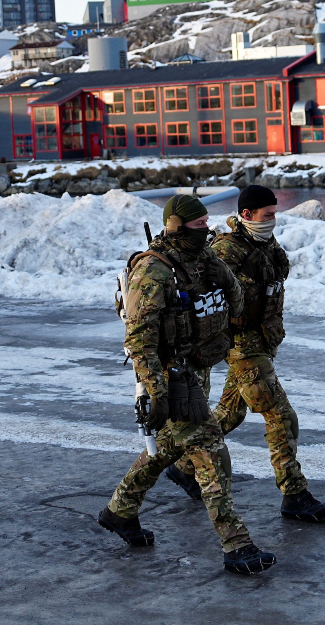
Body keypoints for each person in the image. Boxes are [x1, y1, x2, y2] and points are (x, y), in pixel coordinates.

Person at [97, 194, 276, 575]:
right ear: (177, 227)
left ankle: (120, 510)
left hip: (199, 366)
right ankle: (236, 544)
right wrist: (156, 392)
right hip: (170, 375)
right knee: (212, 451)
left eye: (207, 223)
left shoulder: (204, 259)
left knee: (167, 446)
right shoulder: (153, 271)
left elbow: (237, 305)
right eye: (198, 225)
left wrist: (224, 279)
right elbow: (139, 341)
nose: (206, 230)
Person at [165, 185, 325, 524]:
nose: (273, 220)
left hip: (261, 343)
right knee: (281, 415)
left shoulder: (265, 244)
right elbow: (204, 294)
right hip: (242, 347)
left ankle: (183, 468)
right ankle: (294, 493)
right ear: (246, 215)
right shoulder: (226, 250)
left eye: (275, 214)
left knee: (230, 414)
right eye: (267, 215)